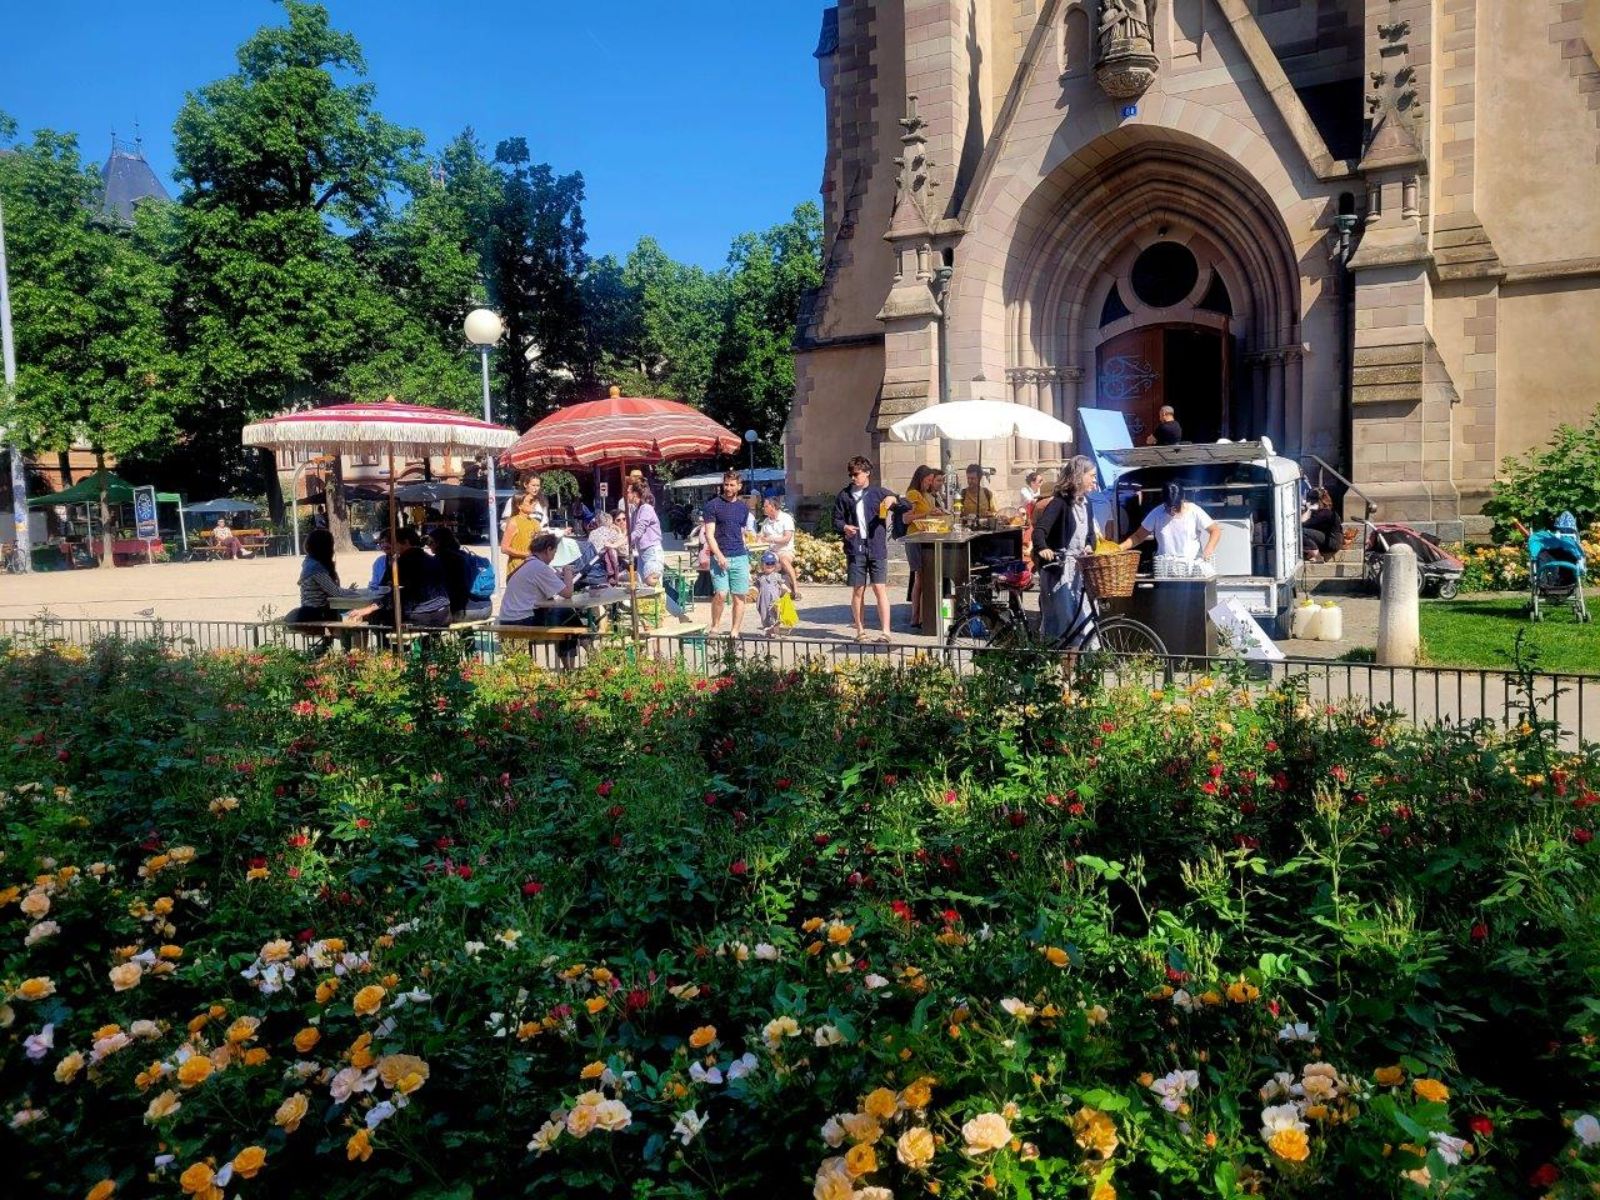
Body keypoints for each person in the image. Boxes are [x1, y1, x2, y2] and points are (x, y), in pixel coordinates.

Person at [1031, 455, 1102, 641]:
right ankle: (1064, 667)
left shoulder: (1088, 504)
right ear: (1079, 476)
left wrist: (1089, 545)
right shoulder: (1059, 503)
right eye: (1092, 475)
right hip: (1061, 572)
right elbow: (1039, 530)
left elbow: (1091, 535)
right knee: (1065, 626)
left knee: (1085, 619)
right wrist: (1042, 548)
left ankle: (1081, 665)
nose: (1095, 479)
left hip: (1080, 571)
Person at [833, 456, 901, 642]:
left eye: (856, 474)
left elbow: (904, 505)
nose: (853, 478)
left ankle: (886, 632)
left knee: (879, 588)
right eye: (850, 475)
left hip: (876, 546)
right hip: (856, 548)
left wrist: (892, 498)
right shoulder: (844, 495)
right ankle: (860, 630)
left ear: (867, 473)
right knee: (858, 589)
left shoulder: (878, 492)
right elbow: (836, 520)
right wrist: (844, 527)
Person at [367, 526, 452, 628]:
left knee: (375, 616)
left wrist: (372, 608)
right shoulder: (429, 558)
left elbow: (399, 592)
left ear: (406, 542)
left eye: (394, 544)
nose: (392, 547)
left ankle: (388, 644)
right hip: (444, 612)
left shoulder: (405, 560)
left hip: (424, 614)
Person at [702, 470, 754, 636]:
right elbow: (709, 534)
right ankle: (715, 626)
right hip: (720, 556)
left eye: (732, 485)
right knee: (721, 594)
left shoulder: (743, 508)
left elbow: (741, 531)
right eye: (726, 484)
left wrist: (748, 555)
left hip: (739, 555)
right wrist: (719, 556)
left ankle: (735, 631)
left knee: (739, 596)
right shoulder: (713, 506)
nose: (728, 488)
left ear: (739, 486)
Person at [1120, 481, 1222, 566]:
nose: (1172, 511)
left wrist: (1209, 548)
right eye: (1168, 507)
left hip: (1192, 567)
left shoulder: (1194, 510)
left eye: (1176, 507)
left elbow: (1215, 530)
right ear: (1163, 502)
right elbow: (1138, 536)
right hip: (1166, 569)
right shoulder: (1157, 513)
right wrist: (1119, 548)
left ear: (1183, 499)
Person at [626, 482, 688, 621]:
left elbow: (639, 530)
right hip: (642, 554)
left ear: (635, 494)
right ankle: (677, 614)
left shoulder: (646, 508)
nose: (626, 494)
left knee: (652, 583)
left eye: (628, 491)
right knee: (647, 589)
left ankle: (666, 616)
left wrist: (624, 540)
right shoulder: (635, 511)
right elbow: (632, 533)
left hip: (652, 551)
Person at [285, 529, 372, 624]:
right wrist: (355, 593)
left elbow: (330, 589)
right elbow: (335, 592)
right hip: (317, 611)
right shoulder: (315, 567)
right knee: (355, 616)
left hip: (312, 609)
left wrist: (347, 591)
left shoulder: (310, 562)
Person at [903, 465, 948, 632]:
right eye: (928, 480)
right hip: (914, 538)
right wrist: (928, 514)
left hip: (927, 538)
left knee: (925, 577)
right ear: (920, 479)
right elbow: (907, 519)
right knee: (920, 577)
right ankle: (916, 616)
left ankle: (923, 615)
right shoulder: (913, 495)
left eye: (931, 481)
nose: (930, 484)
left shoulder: (928, 495)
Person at [498, 531, 576, 627]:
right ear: (548, 549)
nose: (554, 557)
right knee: (566, 614)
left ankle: (575, 639)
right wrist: (568, 570)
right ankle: (582, 639)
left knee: (562, 613)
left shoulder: (528, 563)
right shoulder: (540, 567)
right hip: (522, 620)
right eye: (554, 552)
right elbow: (568, 593)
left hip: (507, 619)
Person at [428, 526, 490, 622]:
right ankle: (469, 636)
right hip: (486, 608)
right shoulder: (465, 555)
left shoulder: (440, 559)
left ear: (439, 543)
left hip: (463, 611)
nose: (429, 546)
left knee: (431, 617)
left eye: (431, 542)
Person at [758, 495, 801, 601]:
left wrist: (770, 539)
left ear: (773, 507)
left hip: (785, 549)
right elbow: (761, 536)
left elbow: (786, 538)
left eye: (765, 506)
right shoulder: (766, 522)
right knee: (765, 560)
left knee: (784, 560)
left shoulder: (786, 518)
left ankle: (796, 590)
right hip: (771, 551)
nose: (763, 508)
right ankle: (766, 589)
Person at [502, 492, 542, 578]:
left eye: (533, 501)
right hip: (518, 568)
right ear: (519, 506)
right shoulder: (513, 522)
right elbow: (504, 548)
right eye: (530, 502)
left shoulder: (535, 522)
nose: (533, 504)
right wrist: (526, 554)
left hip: (534, 567)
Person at [755, 551, 790, 638]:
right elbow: (755, 586)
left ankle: (777, 631)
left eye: (772, 563)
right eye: (767, 563)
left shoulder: (777, 576)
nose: (770, 565)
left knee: (776, 615)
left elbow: (782, 584)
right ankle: (768, 631)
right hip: (763, 600)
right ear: (762, 564)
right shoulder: (760, 576)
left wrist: (786, 589)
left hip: (775, 600)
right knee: (764, 615)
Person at [1300, 487, 1341, 561]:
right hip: (1325, 540)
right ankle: (1312, 552)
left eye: (1311, 500)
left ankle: (1317, 555)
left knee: (1302, 531)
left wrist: (1309, 510)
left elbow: (1302, 524)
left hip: (1332, 543)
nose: (1307, 502)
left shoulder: (1325, 513)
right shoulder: (1321, 512)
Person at [587, 512, 626, 584]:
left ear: (598, 522)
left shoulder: (592, 533)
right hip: (606, 567)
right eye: (618, 520)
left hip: (593, 563)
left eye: (624, 519)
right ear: (610, 521)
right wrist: (619, 531)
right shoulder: (612, 532)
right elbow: (624, 551)